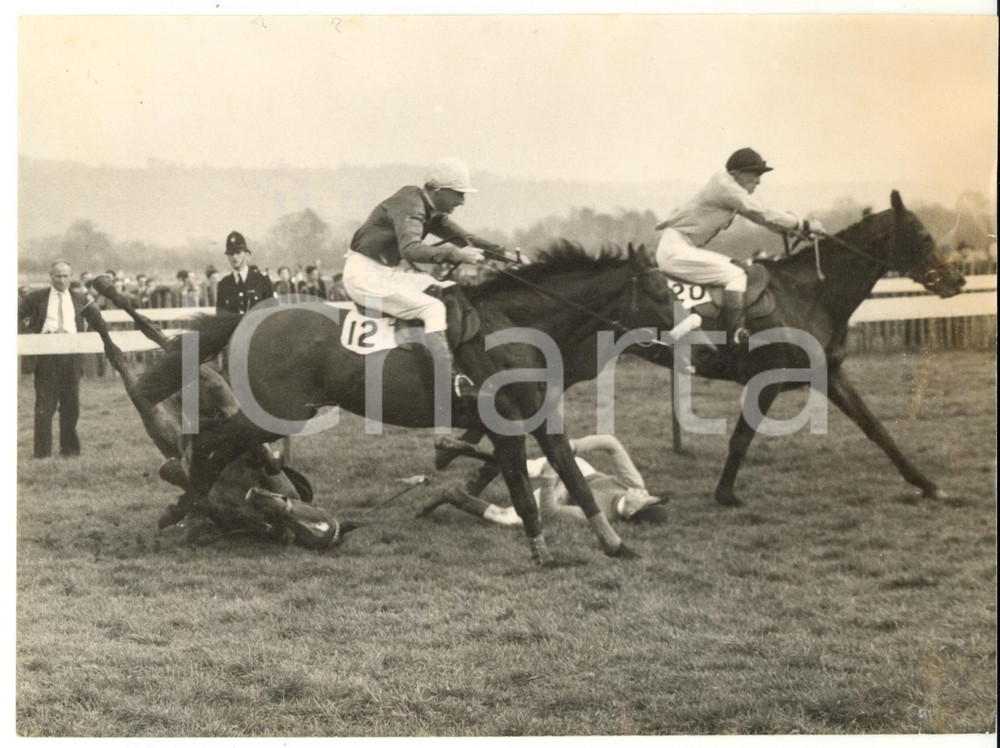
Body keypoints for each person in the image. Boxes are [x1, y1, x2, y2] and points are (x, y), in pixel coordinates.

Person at [342, 157, 504, 389]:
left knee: (446, 289)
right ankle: (447, 381)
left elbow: (467, 239)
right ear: (438, 191)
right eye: (458, 193)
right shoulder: (410, 205)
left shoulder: (428, 207)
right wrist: (458, 255)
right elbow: (410, 249)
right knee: (432, 308)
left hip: (385, 272)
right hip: (364, 276)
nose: (462, 201)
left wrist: (507, 255)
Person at [654, 148, 825, 357]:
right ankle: (734, 335)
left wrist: (798, 230)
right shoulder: (726, 188)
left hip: (680, 248)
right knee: (736, 275)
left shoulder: (726, 186)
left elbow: (762, 218)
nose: (758, 181)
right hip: (676, 250)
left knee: (738, 267)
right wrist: (803, 224)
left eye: (760, 175)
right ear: (736, 174)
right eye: (754, 174)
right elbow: (761, 213)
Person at [419, 434, 668, 525]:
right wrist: (573, 446)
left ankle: (455, 496)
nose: (644, 492)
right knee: (525, 468)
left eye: (646, 499)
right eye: (649, 494)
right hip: (577, 470)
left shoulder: (595, 516)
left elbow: (550, 511)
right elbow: (612, 444)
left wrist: (549, 480)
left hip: (561, 492)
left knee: (507, 518)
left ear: (633, 512)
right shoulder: (634, 484)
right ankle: (474, 452)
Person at [18, 260, 89, 458]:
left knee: (71, 405)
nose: (62, 279)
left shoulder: (80, 298)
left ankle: (70, 451)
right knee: (44, 405)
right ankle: (42, 454)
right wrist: (31, 336)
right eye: (58, 275)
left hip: (71, 355)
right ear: (50, 276)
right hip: (46, 355)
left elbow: (92, 323)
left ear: (71, 277)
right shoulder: (36, 298)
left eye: (66, 276)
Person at [215, 231, 276, 315]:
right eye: (230, 254)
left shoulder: (262, 280)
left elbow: (272, 314)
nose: (234, 257)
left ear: (246, 254)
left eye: (238, 252)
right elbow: (221, 317)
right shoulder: (224, 284)